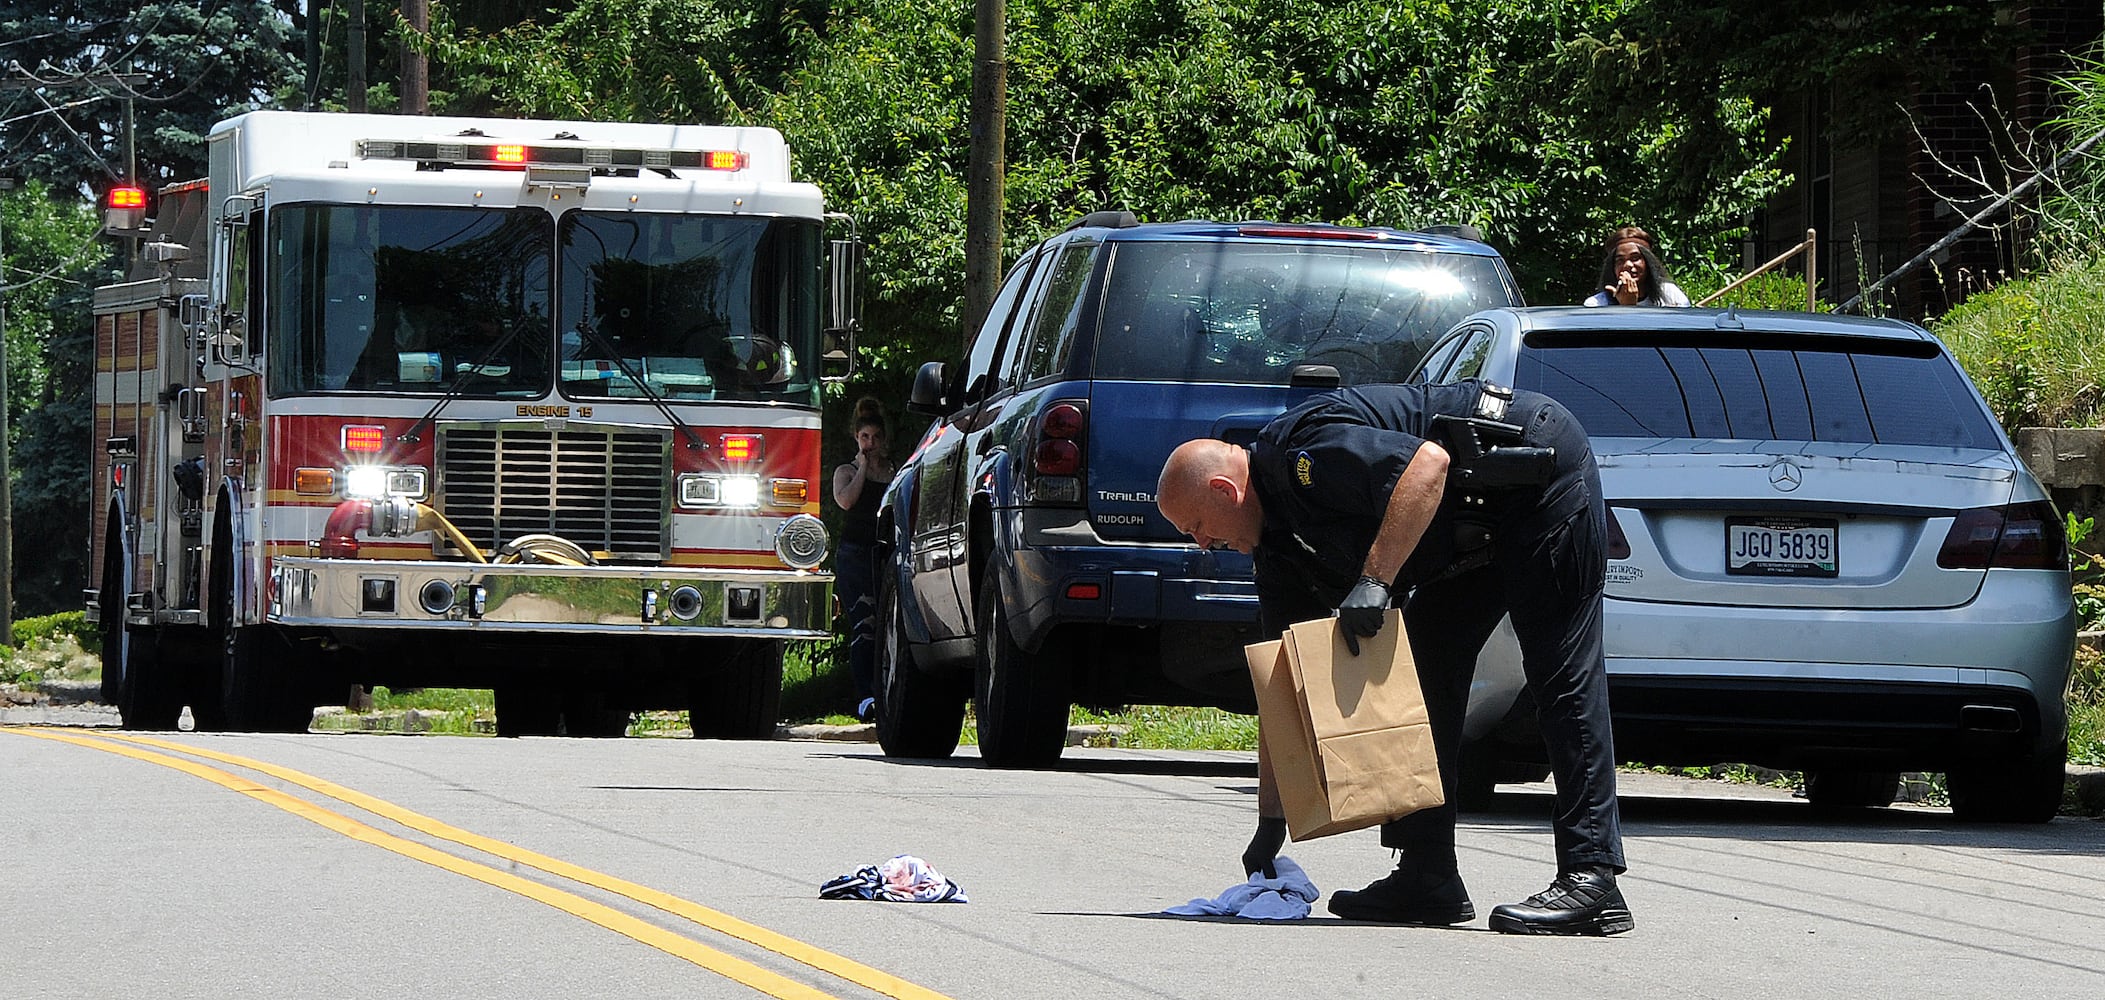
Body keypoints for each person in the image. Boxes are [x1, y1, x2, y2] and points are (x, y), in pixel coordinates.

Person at [1155, 380, 1632, 936]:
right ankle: (1428, 875)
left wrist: (1374, 581)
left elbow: (1427, 464)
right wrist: (1270, 824)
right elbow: (1285, 685)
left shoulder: (1304, 455)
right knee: (1425, 678)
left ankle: (1592, 876)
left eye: (1196, 529)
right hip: (1472, 527)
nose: (1203, 545)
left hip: (1536, 471)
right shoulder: (1278, 542)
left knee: (1561, 678)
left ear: (1224, 490)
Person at [832, 397, 894, 722]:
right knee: (863, 623)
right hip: (854, 556)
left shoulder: (895, 474)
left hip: (883, 555)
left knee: (886, 624)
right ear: (856, 440)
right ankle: (865, 695)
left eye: (874, 438)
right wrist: (864, 469)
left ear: (883, 440)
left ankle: (887, 691)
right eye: (863, 438)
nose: (869, 444)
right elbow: (846, 501)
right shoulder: (846, 471)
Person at [1584, 225, 1689, 307]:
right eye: (1620, 260)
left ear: (1648, 262)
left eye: (1635, 258)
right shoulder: (1596, 305)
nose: (1627, 265)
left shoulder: (1670, 295)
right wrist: (1627, 307)